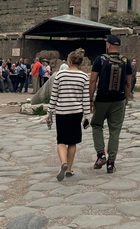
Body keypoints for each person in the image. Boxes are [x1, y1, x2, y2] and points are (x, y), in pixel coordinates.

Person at [90, 34, 132, 174]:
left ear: (108, 45)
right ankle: (111, 163)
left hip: (102, 99)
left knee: (96, 125)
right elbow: (128, 83)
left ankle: (101, 155)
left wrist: (91, 99)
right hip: (119, 99)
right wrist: (126, 98)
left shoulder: (100, 59)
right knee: (115, 132)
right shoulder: (126, 60)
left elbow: (93, 81)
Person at [47, 48, 91, 181]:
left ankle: (63, 164)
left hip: (62, 112)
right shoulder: (84, 77)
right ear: (80, 62)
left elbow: (54, 96)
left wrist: (49, 113)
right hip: (76, 112)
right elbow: (85, 99)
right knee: (72, 142)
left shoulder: (60, 75)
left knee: (61, 140)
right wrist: (87, 117)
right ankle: (69, 169)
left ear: (69, 61)